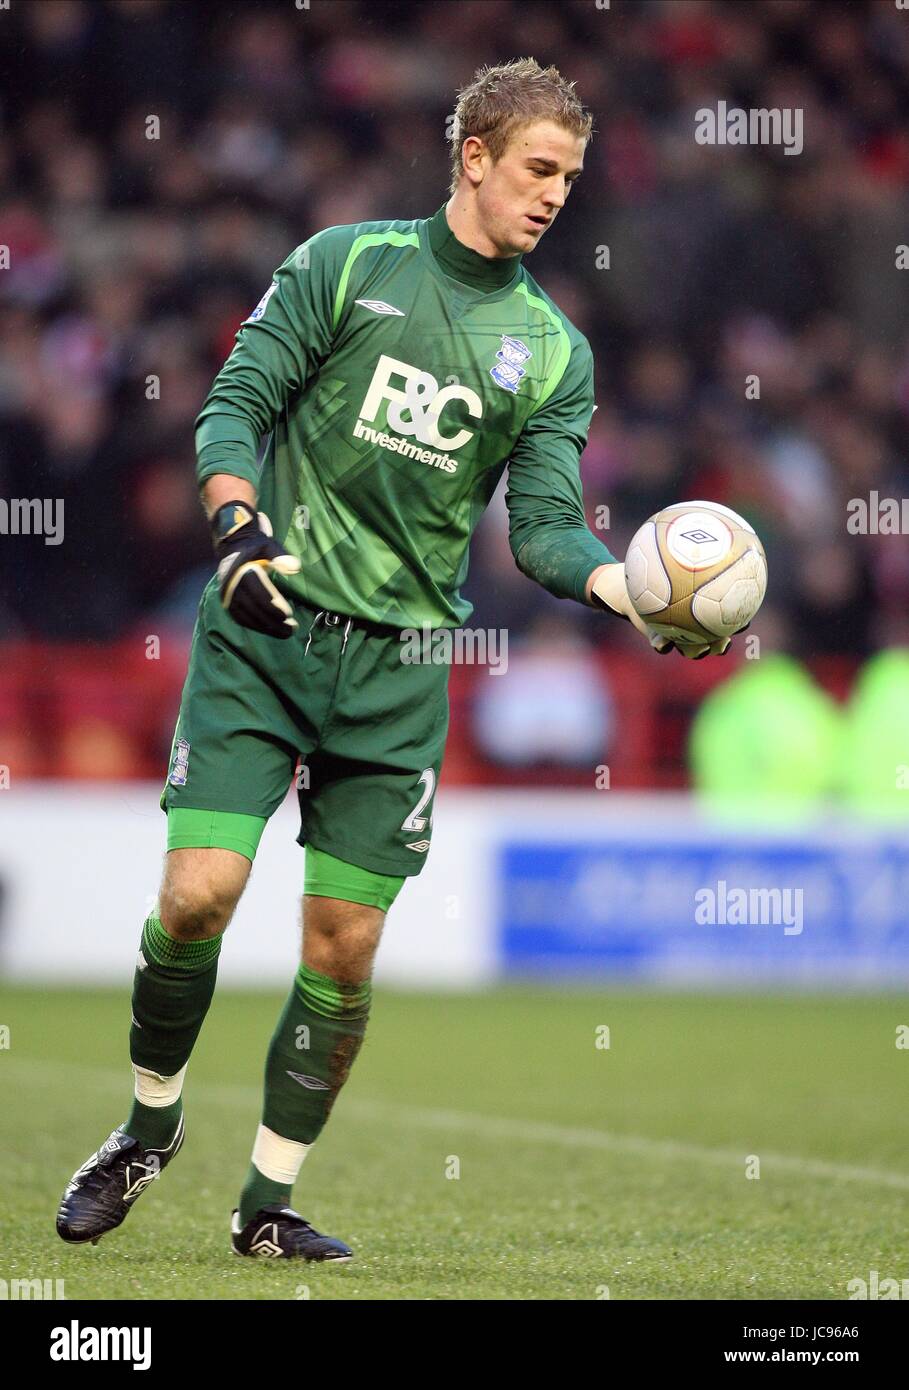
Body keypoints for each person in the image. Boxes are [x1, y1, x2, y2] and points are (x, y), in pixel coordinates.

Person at [56, 57, 730, 1263]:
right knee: (198, 894)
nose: (553, 195)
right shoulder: (346, 264)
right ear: (472, 154)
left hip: (400, 668)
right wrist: (236, 526)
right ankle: (147, 1127)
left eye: (570, 179)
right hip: (266, 632)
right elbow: (233, 405)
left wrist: (625, 587)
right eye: (537, 169)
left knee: (344, 946)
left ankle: (265, 1206)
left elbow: (542, 527)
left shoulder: (552, 351)